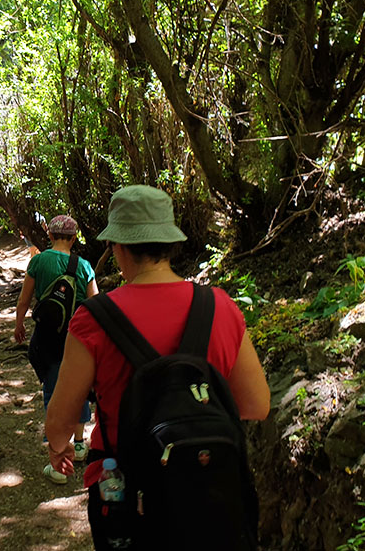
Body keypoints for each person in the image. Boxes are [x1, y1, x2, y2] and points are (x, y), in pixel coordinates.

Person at [44, 185, 270, 548]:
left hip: (125, 496)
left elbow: (60, 420)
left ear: (117, 246)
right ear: (170, 243)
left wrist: (59, 448)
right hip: (208, 486)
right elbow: (257, 405)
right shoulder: (220, 307)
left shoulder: (94, 319)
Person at [14, 214, 98, 483]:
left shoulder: (38, 261)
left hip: (47, 337)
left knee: (53, 390)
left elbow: (24, 299)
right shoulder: (84, 266)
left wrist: (19, 324)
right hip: (78, 337)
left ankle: (60, 461)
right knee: (79, 387)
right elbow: (96, 304)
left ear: (49, 236)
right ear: (74, 239)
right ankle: (80, 444)